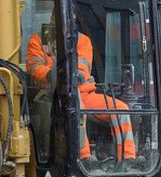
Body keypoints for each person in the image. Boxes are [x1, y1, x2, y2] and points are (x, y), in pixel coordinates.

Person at [25, 25, 137, 163]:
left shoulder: (83, 40)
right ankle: (84, 158)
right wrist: (52, 75)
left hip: (83, 91)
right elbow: (34, 68)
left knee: (121, 110)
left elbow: (83, 67)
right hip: (50, 93)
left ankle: (127, 158)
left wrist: (72, 76)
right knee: (76, 107)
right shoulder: (37, 40)